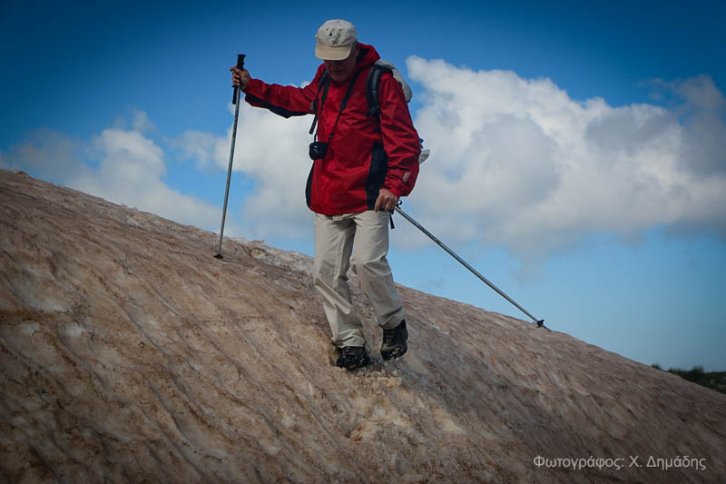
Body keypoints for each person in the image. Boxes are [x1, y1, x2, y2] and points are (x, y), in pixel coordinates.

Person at [231, 19, 420, 370]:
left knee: (367, 263)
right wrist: (251, 86)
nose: (334, 66)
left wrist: (395, 185)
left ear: (354, 50)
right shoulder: (323, 79)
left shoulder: (380, 82)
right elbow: (297, 100)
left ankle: (393, 325)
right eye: (327, 59)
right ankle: (350, 341)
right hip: (328, 191)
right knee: (326, 273)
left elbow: (404, 140)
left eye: (339, 59)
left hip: (371, 194)